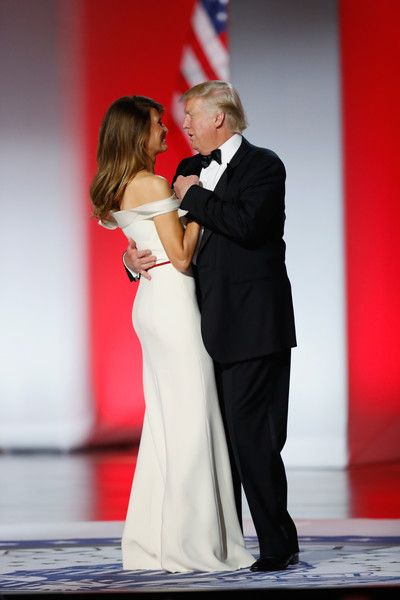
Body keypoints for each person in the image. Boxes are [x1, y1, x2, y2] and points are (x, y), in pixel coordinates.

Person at [124, 81, 299, 572]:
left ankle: (276, 546)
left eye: (192, 116)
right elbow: (165, 239)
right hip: (204, 326)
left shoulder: (264, 166)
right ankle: (228, 542)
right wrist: (129, 259)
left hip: (255, 322)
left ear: (218, 118)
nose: (184, 127)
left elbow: (248, 224)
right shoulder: (186, 171)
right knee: (222, 441)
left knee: (254, 436)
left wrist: (196, 198)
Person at [90, 95, 254, 573]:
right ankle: (193, 546)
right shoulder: (154, 181)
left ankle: (154, 543)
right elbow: (182, 255)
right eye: (159, 125)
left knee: (166, 425)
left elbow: (131, 236)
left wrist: (129, 257)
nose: (168, 131)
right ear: (139, 134)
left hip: (152, 304)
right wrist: (198, 199)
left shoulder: (122, 183)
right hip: (175, 307)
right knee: (191, 425)